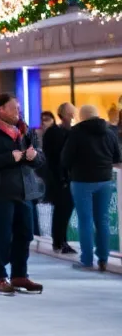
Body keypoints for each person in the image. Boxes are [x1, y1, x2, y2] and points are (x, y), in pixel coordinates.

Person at [0, 93, 45, 296]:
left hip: (25, 190)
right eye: (14, 108)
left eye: (19, 108)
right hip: (1, 192)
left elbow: (40, 158)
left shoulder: (26, 131)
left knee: (25, 234)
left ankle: (19, 275)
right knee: (2, 236)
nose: (18, 111)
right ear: (1, 110)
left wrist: (35, 156)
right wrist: (8, 157)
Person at [62, 104, 122, 273]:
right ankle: (103, 259)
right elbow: (117, 157)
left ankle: (87, 260)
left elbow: (65, 159)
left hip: (82, 181)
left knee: (85, 220)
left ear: (82, 116)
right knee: (102, 220)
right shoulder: (109, 133)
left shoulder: (76, 133)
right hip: (105, 180)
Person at [42, 103, 76, 255]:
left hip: (63, 177)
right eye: (71, 113)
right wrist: (60, 178)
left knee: (63, 209)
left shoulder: (66, 132)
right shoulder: (56, 133)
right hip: (59, 177)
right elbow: (53, 158)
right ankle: (59, 241)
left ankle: (60, 240)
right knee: (62, 209)